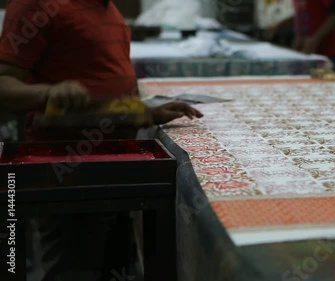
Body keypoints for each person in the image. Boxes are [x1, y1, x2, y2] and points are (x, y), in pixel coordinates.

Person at [0, 0, 203, 280]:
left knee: (116, 262)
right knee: (74, 266)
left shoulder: (108, 8)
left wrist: (148, 114)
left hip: (118, 162)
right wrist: (48, 93)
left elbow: (102, 84)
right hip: (69, 168)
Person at [268, 0, 335, 72]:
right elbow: (304, 14)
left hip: (327, 54)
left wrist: (315, 39)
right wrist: (279, 26)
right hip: (305, 55)